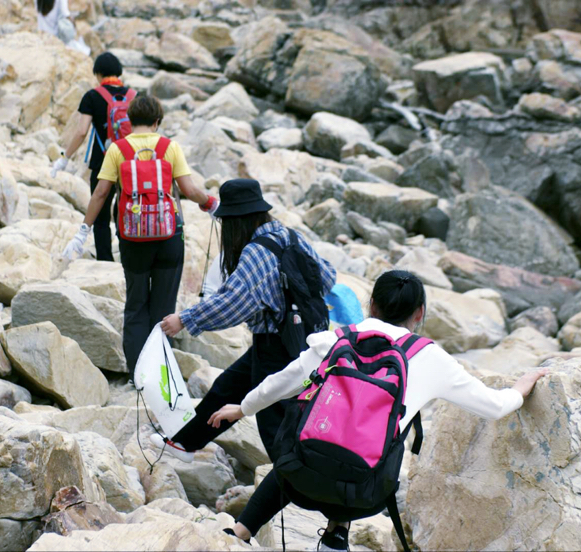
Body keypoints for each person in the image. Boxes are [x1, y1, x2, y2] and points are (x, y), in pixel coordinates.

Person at [206, 270, 549, 551]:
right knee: (377, 437)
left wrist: (242, 408)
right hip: (364, 494)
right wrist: (521, 387)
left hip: (298, 479)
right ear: (419, 314)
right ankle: (336, 535)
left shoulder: (335, 340)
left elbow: (280, 382)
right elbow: (494, 407)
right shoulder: (431, 359)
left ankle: (240, 532)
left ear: (371, 304)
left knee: (308, 434)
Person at [158, 179, 337, 462]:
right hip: (303, 336)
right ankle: (183, 443)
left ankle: (293, 478)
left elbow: (233, 303)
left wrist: (184, 319)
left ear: (236, 221)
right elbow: (327, 277)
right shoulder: (291, 235)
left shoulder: (257, 251)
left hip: (275, 345)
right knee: (227, 389)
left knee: (272, 422)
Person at [61, 95, 218, 374]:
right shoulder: (170, 147)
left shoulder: (117, 149)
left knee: (135, 306)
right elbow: (190, 190)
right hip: (169, 237)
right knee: (164, 309)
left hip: (132, 238)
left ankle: (138, 374)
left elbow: (101, 193)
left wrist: (83, 231)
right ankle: (161, 374)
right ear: (157, 121)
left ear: (130, 121)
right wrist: (212, 204)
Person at [53, 52, 130, 261]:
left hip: (102, 161)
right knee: (126, 210)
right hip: (130, 163)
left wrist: (65, 157)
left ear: (98, 73)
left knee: (101, 214)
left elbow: (81, 131)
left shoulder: (92, 96)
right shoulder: (134, 96)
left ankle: (105, 260)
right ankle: (128, 256)